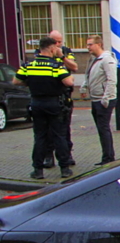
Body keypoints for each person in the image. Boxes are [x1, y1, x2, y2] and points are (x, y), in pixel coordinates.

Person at [15, 37, 76, 179]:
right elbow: (68, 82)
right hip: (54, 103)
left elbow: (16, 80)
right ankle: (65, 168)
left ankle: (37, 170)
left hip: (36, 103)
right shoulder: (55, 66)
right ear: (52, 48)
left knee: (40, 137)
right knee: (59, 136)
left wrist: (31, 85)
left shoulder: (29, 65)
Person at [36, 30, 78, 168]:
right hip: (47, 94)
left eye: (60, 41)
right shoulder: (40, 51)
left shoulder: (65, 51)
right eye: (56, 42)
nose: (59, 44)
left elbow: (74, 67)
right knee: (46, 131)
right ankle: (48, 156)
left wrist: (62, 57)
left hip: (63, 95)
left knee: (64, 128)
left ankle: (67, 155)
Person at [81, 35, 117, 165]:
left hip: (103, 99)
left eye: (90, 44)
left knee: (103, 129)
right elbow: (89, 75)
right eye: (87, 44)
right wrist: (84, 87)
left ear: (99, 44)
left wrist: (106, 98)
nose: (88, 47)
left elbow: (112, 79)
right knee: (101, 129)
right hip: (96, 99)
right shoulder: (94, 60)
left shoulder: (106, 59)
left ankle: (108, 158)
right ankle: (107, 156)